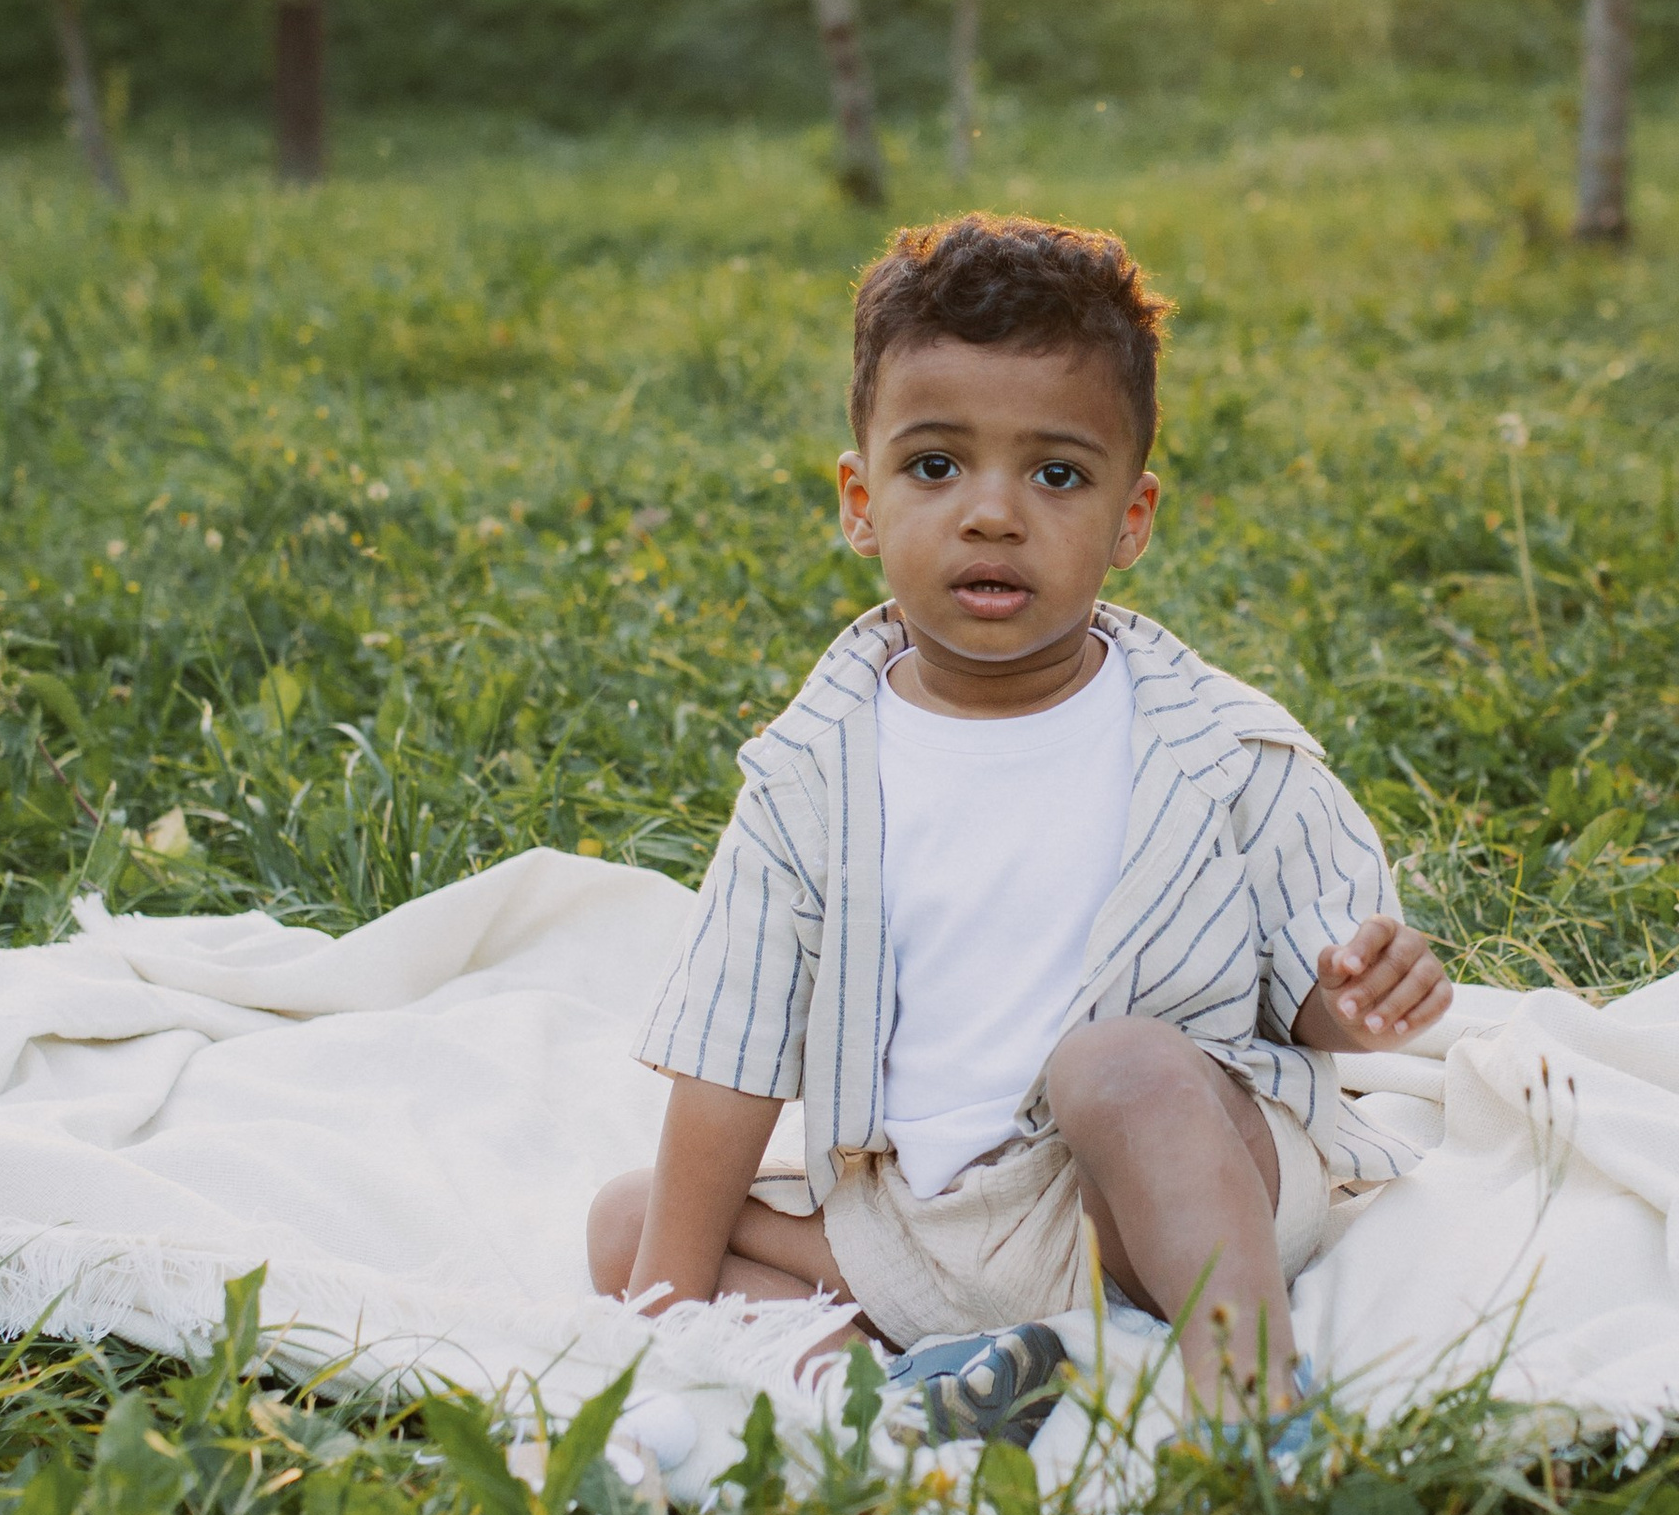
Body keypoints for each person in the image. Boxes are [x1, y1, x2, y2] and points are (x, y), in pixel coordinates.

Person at [585, 212, 1448, 1442]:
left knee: (1118, 1064)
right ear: (859, 499)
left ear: (1131, 518)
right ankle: (898, 1395)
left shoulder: (1220, 745)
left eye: (1055, 475)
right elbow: (731, 1050)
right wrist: (665, 1314)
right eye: (936, 466)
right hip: (918, 1225)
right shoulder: (808, 777)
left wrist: (1354, 996)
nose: (992, 515)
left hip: (1160, 1194)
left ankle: (1254, 1413)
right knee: (633, 1224)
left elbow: (1316, 979)